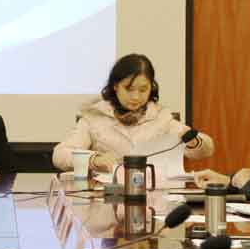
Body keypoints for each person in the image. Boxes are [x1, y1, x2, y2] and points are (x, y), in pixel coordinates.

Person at [52, 54, 213, 173]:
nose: (136, 97)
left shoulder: (161, 117)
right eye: (129, 89)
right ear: (115, 86)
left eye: (143, 90)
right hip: (106, 195)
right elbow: (60, 155)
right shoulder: (94, 117)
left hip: (152, 193)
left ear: (151, 87)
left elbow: (206, 150)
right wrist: (95, 159)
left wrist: (194, 142)